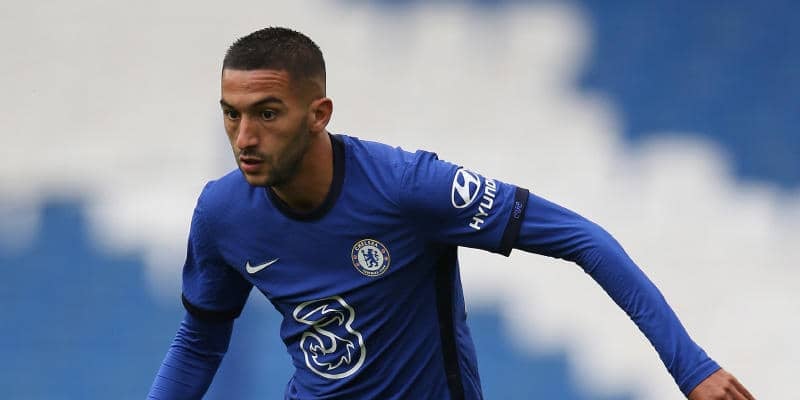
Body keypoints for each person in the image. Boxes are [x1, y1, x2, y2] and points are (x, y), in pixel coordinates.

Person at [148, 27, 754, 400]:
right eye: (231, 113)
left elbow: (582, 239)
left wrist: (692, 368)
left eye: (267, 113)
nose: (244, 137)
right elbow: (199, 342)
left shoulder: (409, 188)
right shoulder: (222, 213)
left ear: (319, 114)